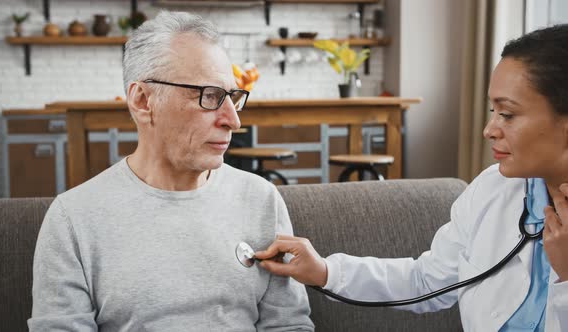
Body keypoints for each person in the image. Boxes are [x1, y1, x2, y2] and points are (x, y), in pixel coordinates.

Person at [255, 24, 568, 331]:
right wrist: (324, 270)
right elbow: (426, 280)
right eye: (492, 111)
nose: (489, 130)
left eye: (508, 114)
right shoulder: (493, 190)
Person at [28, 11, 314, 331]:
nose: (233, 121)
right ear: (142, 100)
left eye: (232, 97)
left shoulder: (261, 199)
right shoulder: (73, 218)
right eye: (210, 96)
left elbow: (288, 325)